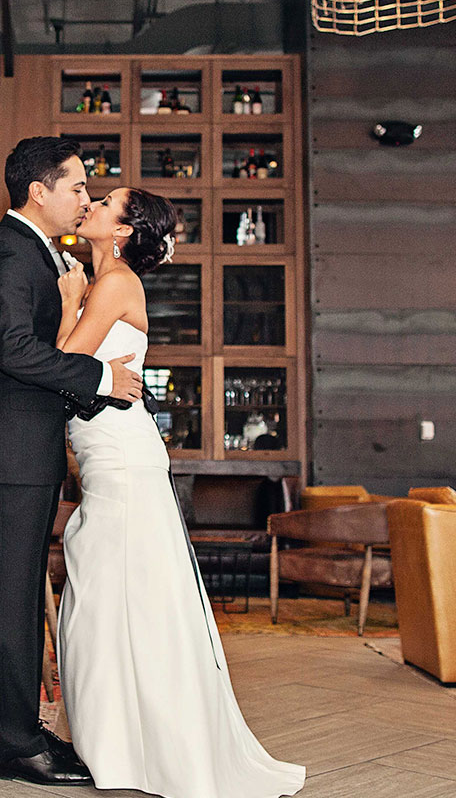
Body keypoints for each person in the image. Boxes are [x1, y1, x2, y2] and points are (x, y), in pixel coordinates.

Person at [54, 186, 306, 798]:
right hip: (105, 450)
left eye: (106, 201)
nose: (92, 202)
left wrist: (65, 304)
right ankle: (115, 741)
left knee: (119, 595)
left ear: (122, 230)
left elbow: (65, 362)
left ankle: (142, 748)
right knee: (106, 594)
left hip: (120, 456)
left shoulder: (111, 285)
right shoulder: (99, 280)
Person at [0, 136, 143, 786]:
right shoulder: (6, 252)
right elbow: (12, 351)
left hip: (24, 452)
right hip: (6, 453)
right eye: (78, 187)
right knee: (8, 602)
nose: (84, 197)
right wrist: (97, 379)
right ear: (40, 190)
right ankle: (13, 749)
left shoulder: (36, 251)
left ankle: (26, 733)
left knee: (20, 597)